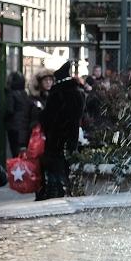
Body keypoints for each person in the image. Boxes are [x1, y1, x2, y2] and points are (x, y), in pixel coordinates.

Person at [36, 61, 85, 201]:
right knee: (67, 167)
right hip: (72, 137)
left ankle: (55, 192)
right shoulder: (78, 94)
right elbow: (78, 118)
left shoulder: (56, 94)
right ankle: (67, 190)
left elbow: (47, 118)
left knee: (54, 169)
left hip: (55, 139)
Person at [6, 71, 35, 155]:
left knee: (14, 150)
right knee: (21, 150)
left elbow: (9, 110)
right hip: (24, 127)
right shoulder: (25, 94)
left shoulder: (11, 94)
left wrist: (5, 119)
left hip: (14, 127)